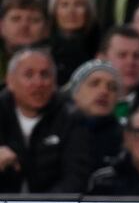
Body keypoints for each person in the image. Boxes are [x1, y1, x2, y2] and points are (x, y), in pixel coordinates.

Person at [0, 47, 91, 193]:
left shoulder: (71, 117)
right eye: (29, 75)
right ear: (10, 81)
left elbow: (76, 178)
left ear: (55, 82)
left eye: (45, 75)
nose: (38, 83)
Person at [67, 58, 124, 172]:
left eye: (112, 87)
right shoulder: (56, 130)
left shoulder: (125, 140)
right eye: (94, 83)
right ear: (75, 93)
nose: (104, 91)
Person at [48, 0, 101, 85]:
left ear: (89, 10)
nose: (71, 12)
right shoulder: (45, 50)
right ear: (55, 11)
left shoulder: (101, 49)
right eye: (64, 5)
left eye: (78, 4)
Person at [0, 0, 50, 83]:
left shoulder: (59, 65)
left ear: (47, 29)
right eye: (16, 19)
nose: (24, 26)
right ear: (1, 26)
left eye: (34, 20)